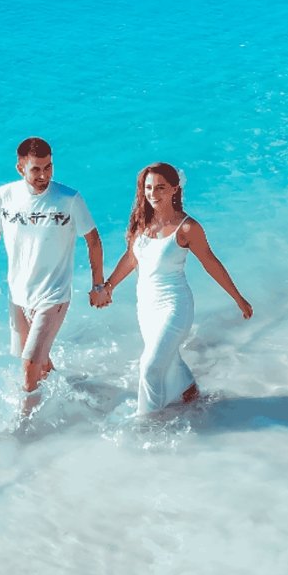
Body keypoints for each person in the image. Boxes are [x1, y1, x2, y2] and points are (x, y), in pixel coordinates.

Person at [97, 162, 252, 414]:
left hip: (175, 305)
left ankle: (146, 422)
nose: (153, 194)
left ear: (174, 189)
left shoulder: (188, 227)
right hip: (146, 306)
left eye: (160, 187)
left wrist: (238, 298)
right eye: (148, 188)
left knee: (149, 366)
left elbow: (211, 263)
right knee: (166, 358)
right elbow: (131, 258)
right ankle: (189, 391)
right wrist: (109, 286)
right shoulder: (141, 222)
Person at [0, 137, 106, 404]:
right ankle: (74, 399)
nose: (44, 175)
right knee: (38, 363)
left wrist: (98, 285)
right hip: (18, 295)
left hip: (53, 295)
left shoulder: (69, 199)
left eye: (48, 167)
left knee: (29, 364)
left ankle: (25, 425)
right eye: (36, 169)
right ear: (20, 168)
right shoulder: (5, 195)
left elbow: (93, 240)